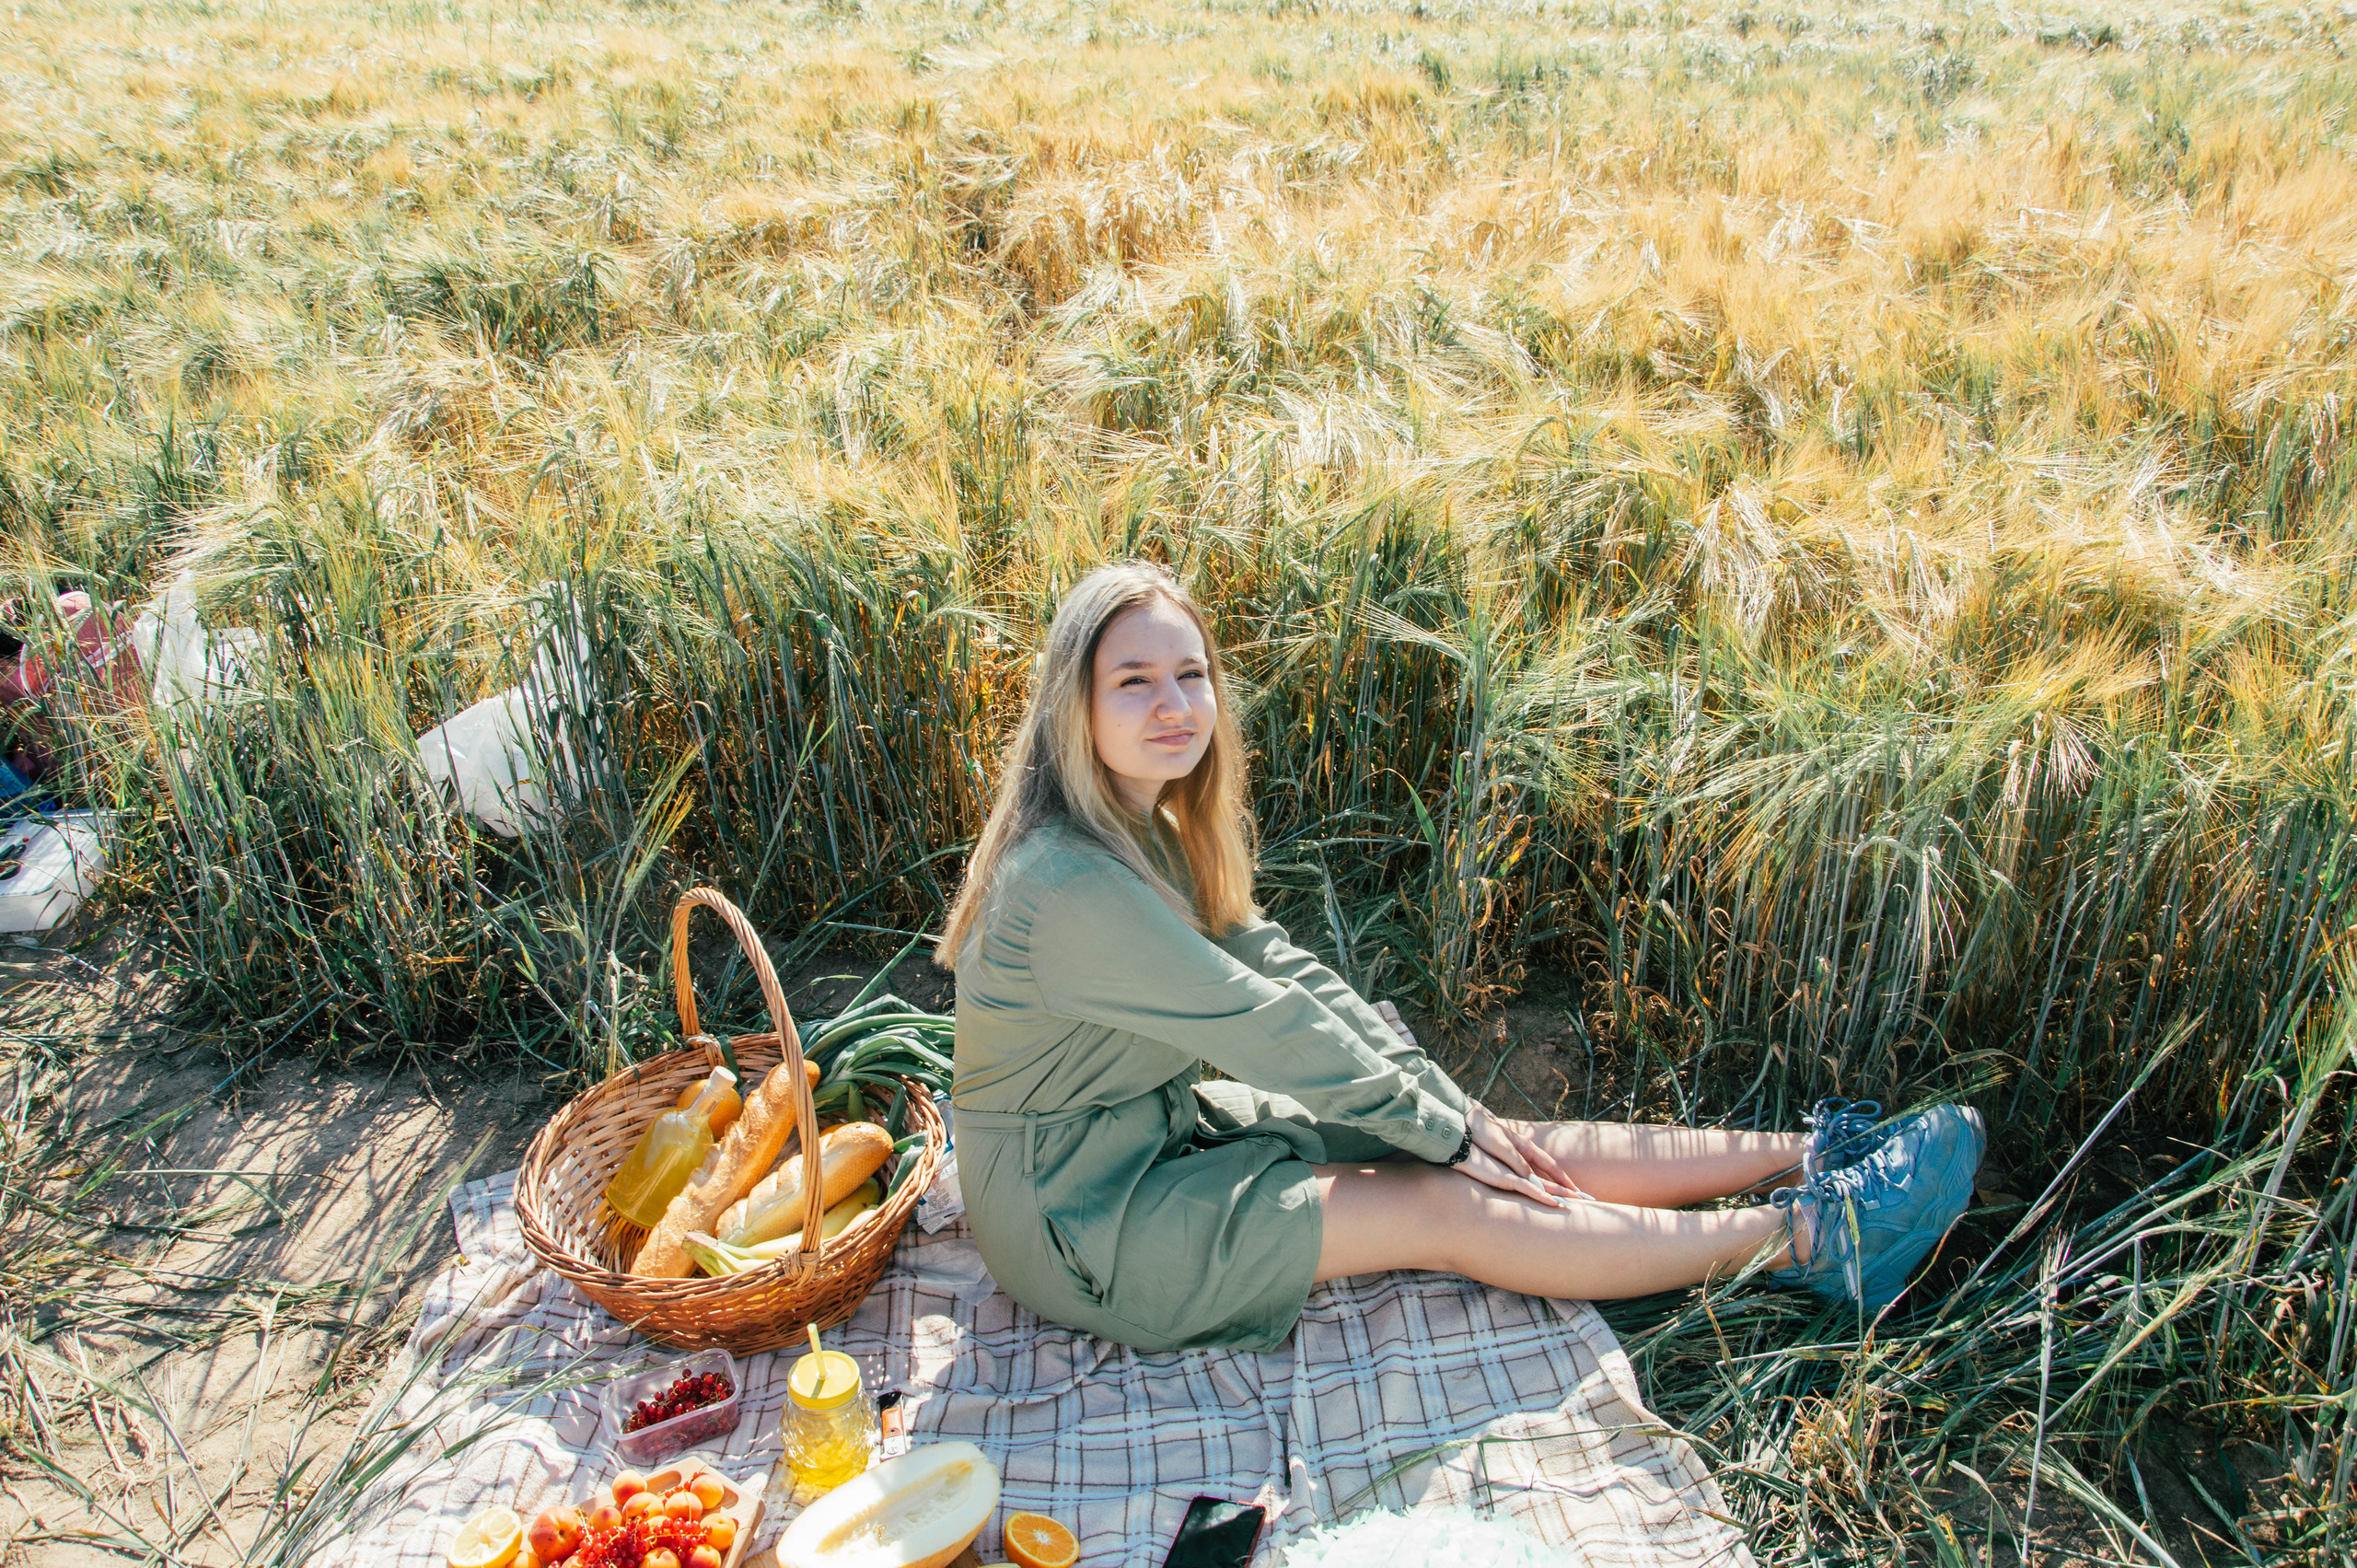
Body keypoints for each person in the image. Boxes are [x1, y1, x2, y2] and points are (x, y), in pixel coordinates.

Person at [939, 561, 1984, 1353]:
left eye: (1190, 673)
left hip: (1151, 1135)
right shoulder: (1065, 883)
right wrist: (1438, 1131)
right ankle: (1814, 1240)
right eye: (1133, 681)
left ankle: (1806, 1154)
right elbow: (1258, 1021)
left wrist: (1446, 1108)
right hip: (1080, 1218)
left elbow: (1281, 967)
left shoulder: (1148, 828)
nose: (1174, 704)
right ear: (1075, 705)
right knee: (1443, 1196)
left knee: (1494, 1140)